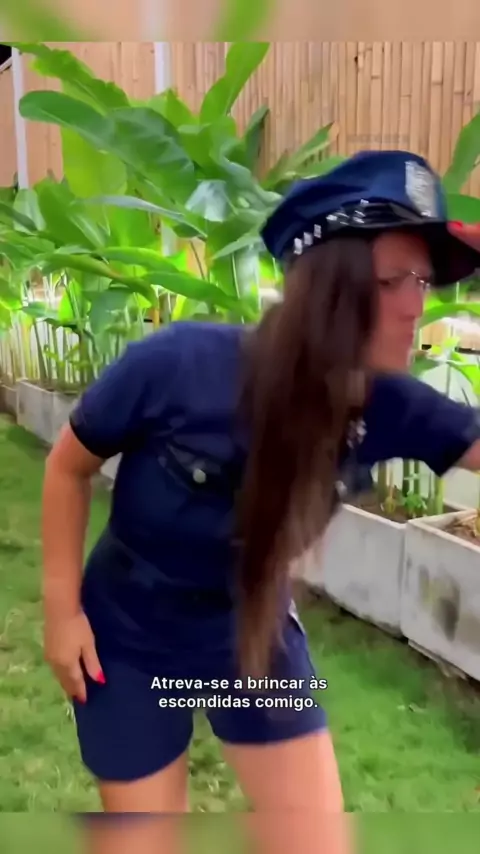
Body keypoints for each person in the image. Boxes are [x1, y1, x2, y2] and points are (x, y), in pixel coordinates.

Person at [42, 150, 480, 852]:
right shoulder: (178, 365)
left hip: (252, 638)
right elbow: (68, 468)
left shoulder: (392, 408)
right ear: (325, 289)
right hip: (128, 640)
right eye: (392, 279)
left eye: (422, 280)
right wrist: (62, 614)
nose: (416, 304)